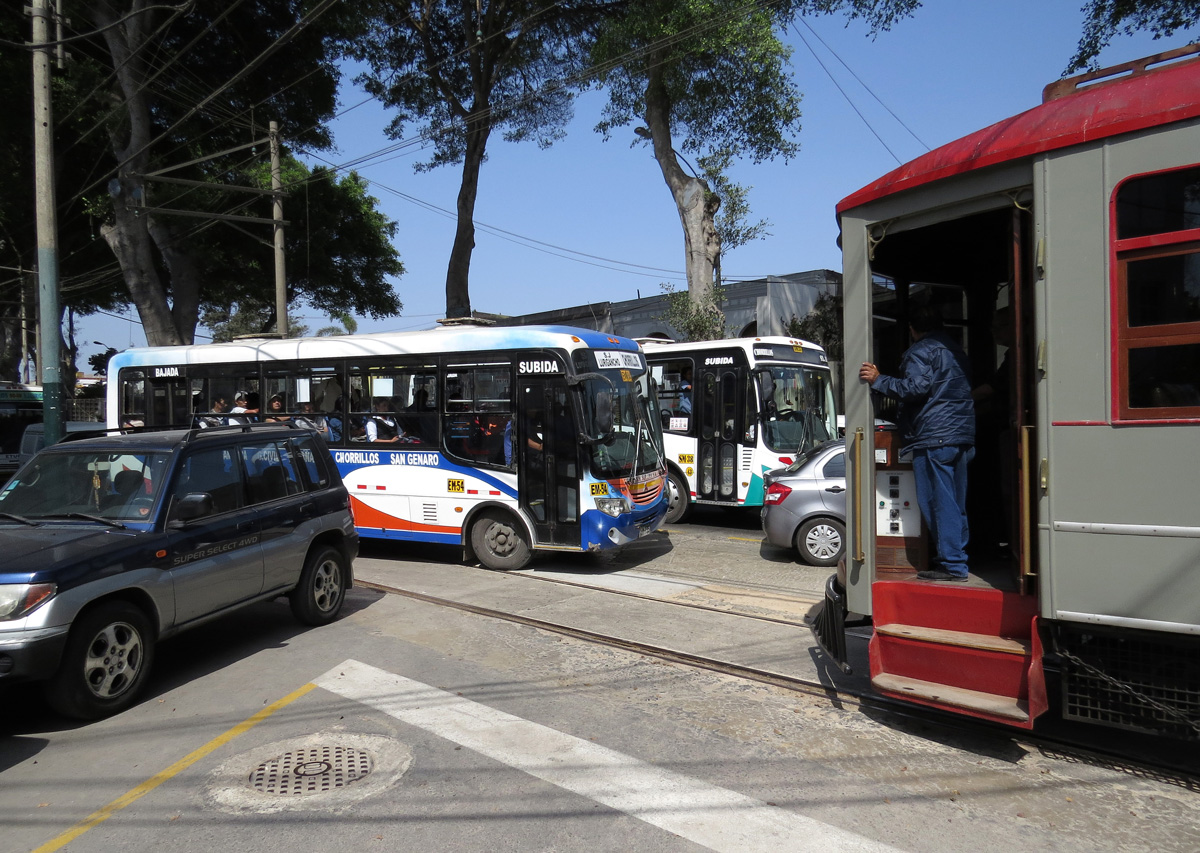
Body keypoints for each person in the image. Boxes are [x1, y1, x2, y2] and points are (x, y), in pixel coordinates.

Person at [859, 302, 975, 582]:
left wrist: (878, 379)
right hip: (961, 433)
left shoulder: (920, 351)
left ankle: (952, 564)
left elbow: (916, 387)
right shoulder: (955, 349)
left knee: (937, 501)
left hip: (934, 436)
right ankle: (955, 556)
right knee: (955, 501)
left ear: (912, 329)